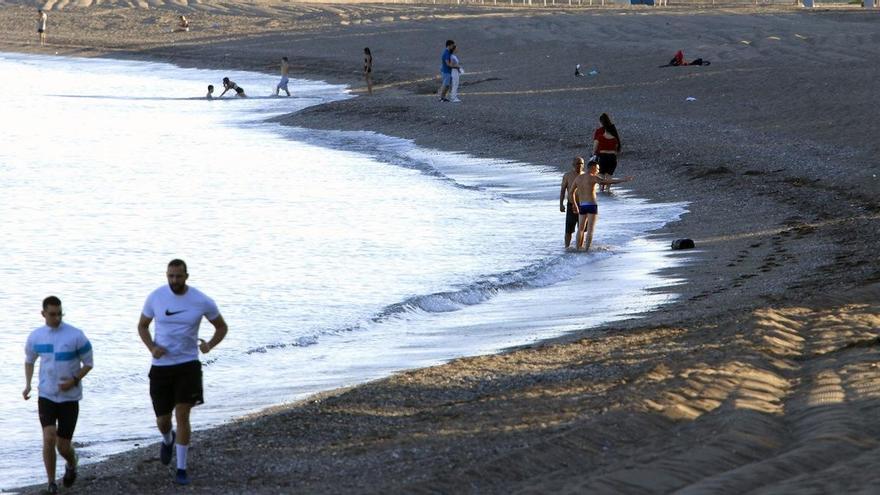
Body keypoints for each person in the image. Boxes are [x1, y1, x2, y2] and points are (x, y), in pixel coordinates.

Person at [138, 259, 228, 486]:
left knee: (182, 414)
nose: (174, 281)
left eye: (178, 276)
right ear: (166, 275)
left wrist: (210, 345)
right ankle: (167, 439)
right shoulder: (156, 297)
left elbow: (221, 327)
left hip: (188, 365)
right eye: (170, 276)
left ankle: (181, 468)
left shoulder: (201, 300)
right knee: (163, 420)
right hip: (161, 367)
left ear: (186, 276)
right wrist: (151, 347)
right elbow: (142, 326)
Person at [24, 296, 94, 495]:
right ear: (43, 314)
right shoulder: (36, 336)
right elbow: (29, 361)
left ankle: (72, 464)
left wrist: (73, 380)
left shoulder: (75, 335)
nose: (56, 318)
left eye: (59, 314)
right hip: (46, 395)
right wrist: (28, 385)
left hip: (69, 398)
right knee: (48, 437)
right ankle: (51, 483)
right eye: (52, 314)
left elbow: (88, 363)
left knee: (63, 446)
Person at [570, 158, 634, 251]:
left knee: (580, 228)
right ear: (592, 168)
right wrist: (623, 180)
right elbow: (608, 181)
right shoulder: (593, 177)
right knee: (590, 229)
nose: (598, 170)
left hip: (582, 205)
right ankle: (587, 249)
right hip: (591, 205)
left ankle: (577, 248)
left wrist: (575, 204)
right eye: (597, 168)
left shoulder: (578, 178)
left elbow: (571, 192)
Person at [559, 156, 585, 249]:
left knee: (582, 229)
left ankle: (580, 247)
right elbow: (562, 190)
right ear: (573, 165)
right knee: (568, 230)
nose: (580, 165)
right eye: (578, 163)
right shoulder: (567, 175)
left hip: (583, 205)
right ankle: (566, 247)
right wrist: (561, 204)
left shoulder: (585, 175)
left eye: (581, 163)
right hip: (571, 206)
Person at [592, 113, 622, 192]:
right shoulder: (614, 132)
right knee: (609, 175)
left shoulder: (599, 133)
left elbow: (595, 147)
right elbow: (616, 147)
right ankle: (608, 190)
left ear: (601, 122)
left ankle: (601, 190)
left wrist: (593, 154)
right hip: (612, 157)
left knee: (601, 174)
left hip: (602, 156)